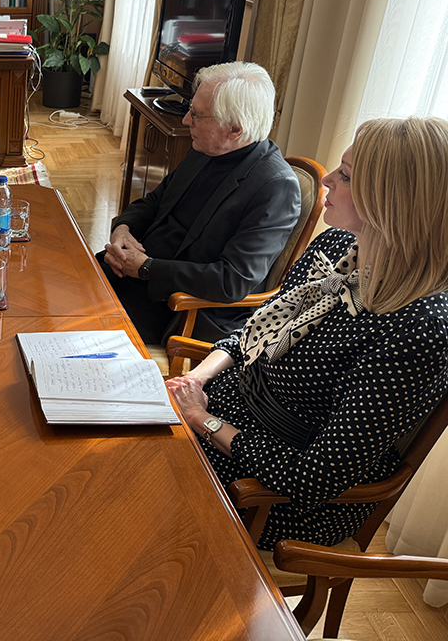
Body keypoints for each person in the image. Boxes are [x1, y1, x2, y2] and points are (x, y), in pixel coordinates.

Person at [167, 116, 448, 550]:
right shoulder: (337, 246)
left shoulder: (420, 328)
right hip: (223, 413)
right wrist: (196, 379)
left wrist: (203, 421)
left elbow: (313, 478)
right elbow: (257, 332)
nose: (328, 180)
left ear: (392, 203)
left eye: (346, 176)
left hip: (272, 493)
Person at [100, 61, 301, 345]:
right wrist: (122, 229)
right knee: (58, 284)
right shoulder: (205, 148)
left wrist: (147, 268)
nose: (186, 121)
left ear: (235, 129)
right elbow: (155, 202)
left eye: (196, 115)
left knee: (71, 326)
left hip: (179, 308)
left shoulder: (276, 187)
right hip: (134, 274)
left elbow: (233, 280)